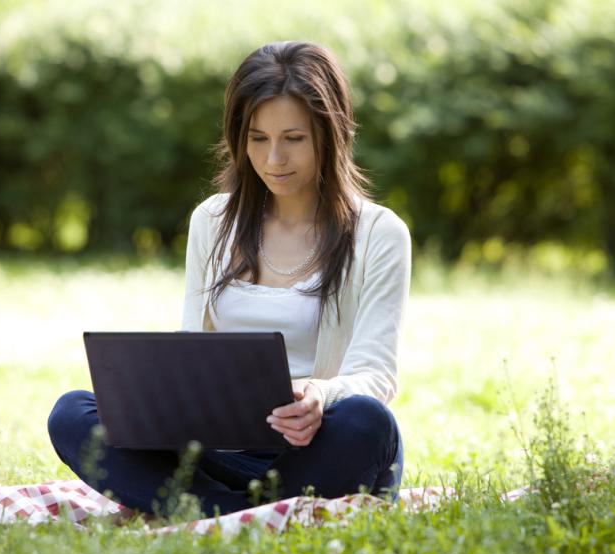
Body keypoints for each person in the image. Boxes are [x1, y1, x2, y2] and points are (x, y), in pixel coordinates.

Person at [47, 41, 411, 518]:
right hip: (216, 453)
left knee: (368, 422)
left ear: (332, 132)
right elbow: (192, 346)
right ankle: (239, 511)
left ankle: (186, 507)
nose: (274, 159)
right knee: (73, 413)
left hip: (316, 447)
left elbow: (376, 374)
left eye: (294, 138)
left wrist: (320, 395)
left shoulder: (379, 234)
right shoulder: (212, 221)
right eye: (257, 138)